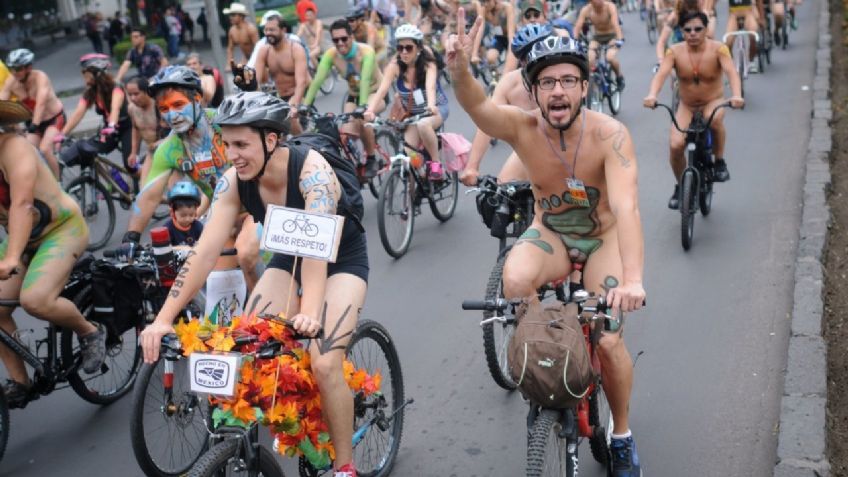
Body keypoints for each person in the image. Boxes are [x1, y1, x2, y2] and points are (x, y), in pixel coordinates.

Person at [448, 12, 645, 476]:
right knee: (514, 278)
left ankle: (620, 434)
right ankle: (542, 362)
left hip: (602, 240)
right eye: (547, 83)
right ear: (532, 92)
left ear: (583, 87)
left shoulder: (611, 135)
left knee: (611, 340)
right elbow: (480, 108)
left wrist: (633, 280)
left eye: (568, 81)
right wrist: (459, 71)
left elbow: (627, 207)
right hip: (551, 232)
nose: (558, 91)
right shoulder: (523, 127)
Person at [139, 91, 368, 477]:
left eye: (242, 144)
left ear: (271, 140)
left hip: (339, 259)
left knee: (325, 360)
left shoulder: (314, 176)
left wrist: (309, 314)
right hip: (286, 257)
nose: (232, 154)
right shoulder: (235, 181)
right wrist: (163, 318)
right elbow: (205, 251)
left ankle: (345, 466)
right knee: (248, 343)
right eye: (227, 144)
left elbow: (316, 255)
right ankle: (294, 417)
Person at [0, 100, 105, 407]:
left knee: (35, 300)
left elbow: (22, 205)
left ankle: (90, 332)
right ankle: (21, 382)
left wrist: (10, 259)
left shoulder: (14, 148)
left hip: (61, 230)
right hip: (24, 238)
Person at [123, 66, 260, 290]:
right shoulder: (169, 149)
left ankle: (266, 316)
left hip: (261, 207)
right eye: (164, 108)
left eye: (178, 105)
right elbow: (148, 197)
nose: (172, 114)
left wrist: (251, 90)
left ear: (197, 99)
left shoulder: (222, 120)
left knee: (246, 254)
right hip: (225, 216)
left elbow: (259, 124)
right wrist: (131, 237)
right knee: (218, 283)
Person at [644, 10, 744, 207]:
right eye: (687, 29)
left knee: (713, 119)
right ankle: (681, 185)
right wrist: (652, 94)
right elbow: (662, 74)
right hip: (687, 105)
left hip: (712, 101)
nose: (693, 33)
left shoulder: (719, 49)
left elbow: (731, 72)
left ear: (706, 29)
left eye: (698, 29)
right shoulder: (674, 51)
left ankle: (720, 161)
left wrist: (737, 95)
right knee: (675, 145)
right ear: (681, 31)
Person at [461, 22, 554, 186]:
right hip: (531, 148)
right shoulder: (510, 83)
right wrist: (472, 166)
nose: (539, 60)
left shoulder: (565, 73)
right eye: (530, 56)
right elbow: (487, 119)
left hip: (567, 143)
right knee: (503, 191)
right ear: (522, 62)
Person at [305, 19, 385, 176]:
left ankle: (371, 158)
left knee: (362, 119)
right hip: (354, 96)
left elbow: (365, 80)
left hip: (374, 93)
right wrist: (305, 105)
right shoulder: (331, 54)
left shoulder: (366, 52)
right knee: (343, 129)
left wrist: (362, 106)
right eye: (335, 40)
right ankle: (352, 162)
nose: (340, 43)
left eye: (344, 38)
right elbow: (317, 81)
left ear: (352, 37)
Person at [364, 24, 448, 169]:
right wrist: (370, 110)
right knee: (410, 158)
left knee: (424, 124)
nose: (403, 52)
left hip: (436, 109)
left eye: (408, 48)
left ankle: (436, 163)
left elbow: (431, 87)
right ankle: (418, 183)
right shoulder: (394, 66)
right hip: (413, 115)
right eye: (400, 48)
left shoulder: (428, 65)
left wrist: (432, 105)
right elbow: (382, 90)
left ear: (419, 48)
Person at [58, 54, 134, 176]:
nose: (83, 75)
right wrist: (61, 134)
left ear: (97, 73)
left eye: (85, 72)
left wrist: (112, 125)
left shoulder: (116, 86)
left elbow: (115, 108)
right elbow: (78, 113)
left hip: (127, 127)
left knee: (130, 165)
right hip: (109, 131)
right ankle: (108, 184)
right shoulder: (91, 91)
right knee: (87, 150)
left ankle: (144, 185)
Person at [0, 49, 66, 179]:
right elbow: (2, 101)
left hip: (53, 119)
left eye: (18, 69)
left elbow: (40, 103)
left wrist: (34, 125)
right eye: (12, 68)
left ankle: (59, 186)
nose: (14, 72)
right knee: (29, 152)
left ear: (28, 67)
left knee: (45, 149)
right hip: (33, 122)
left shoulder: (40, 77)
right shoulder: (12, 81)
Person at [254, 14, 310, 134]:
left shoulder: (295, 49)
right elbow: (255, 80)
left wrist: (294, 104)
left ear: (283, 30)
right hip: (281, 97)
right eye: (266, 29)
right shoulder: (264, 50)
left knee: (290, 118)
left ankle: (303, 145)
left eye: (272, 30)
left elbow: (301, 82)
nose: (268, 33)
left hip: (301, 94)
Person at [574, 0, 626, 90]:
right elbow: (578, 25)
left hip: (612, 36)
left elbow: (615, 23)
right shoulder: (586, 10)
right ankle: (590, 88)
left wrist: (620, 39)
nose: (599, 2)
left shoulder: (610, 6)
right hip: (597, 37)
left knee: (610, 57)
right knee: (590, 59)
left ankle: (619, 76)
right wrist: (574, 40)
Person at [125, 75, 166, 186]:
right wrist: (133, 153)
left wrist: (161, 142)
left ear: (146, 91)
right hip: (152, 152)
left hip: (169, 151)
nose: (133, 98)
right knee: (144, 190)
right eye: (130, 95)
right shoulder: (132, 109)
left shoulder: (160, 106)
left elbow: (176, 131)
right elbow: (136, 129)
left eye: (136, 94)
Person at [723, 0, 760, 73]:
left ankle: (751, 61)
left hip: (748, 13)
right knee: (727, 41)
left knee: (753, 35)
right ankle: (730, 64)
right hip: (733, 15)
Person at [164, 180, 204, 247]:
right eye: (183, 215)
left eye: (191, 215)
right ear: (172, 212)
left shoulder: (198, 226)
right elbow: (164, 249)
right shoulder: (167, 229)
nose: (188, 219)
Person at [225, 2, 260, 69]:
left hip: (257, 58)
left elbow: (259, 48)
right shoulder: (232, 31)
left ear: (241, 16)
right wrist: (229, 63)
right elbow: (230, 48)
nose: (230, 17)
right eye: (230, 15)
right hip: (246, 58)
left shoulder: (250, 29)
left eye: (233, 15)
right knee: (241, 76)